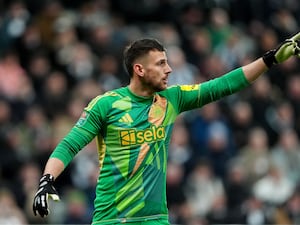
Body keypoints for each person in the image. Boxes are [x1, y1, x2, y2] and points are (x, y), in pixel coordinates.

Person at [33, 33, 300, 224]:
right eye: (160, 63)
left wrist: (270, 59)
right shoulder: (106, 105)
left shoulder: (172, 99)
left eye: (167, 62)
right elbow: (69, 144)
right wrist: (47, 180)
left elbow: (224, 85)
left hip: (156, 218)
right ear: (139, 69)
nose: (169, 69)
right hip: (112, 218)